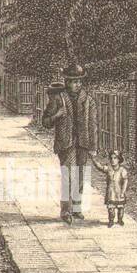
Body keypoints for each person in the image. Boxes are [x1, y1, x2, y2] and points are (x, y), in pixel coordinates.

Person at [40, 64, 94, 224]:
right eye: (73, 81)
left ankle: (77, 208)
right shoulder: (58, 99)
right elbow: (45, 122)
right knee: (68, 177)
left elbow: (93, 125)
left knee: (80, 176)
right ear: (67, 82)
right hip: (66, 144)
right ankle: (65, 210)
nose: (77, 84)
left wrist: (94, 146)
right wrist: (56, 115)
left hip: (82, 143)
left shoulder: (88, 100)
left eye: (79, 81)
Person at [92, 150, 129, 226]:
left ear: (119, 159)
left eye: (115, 158)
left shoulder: (123, 170)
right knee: (111, 209)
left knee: (120, 208)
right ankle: (111, 221)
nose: (113, 160)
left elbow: (125, 182)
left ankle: (120, 220)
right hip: (111, 192)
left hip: (119, 192)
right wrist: (93, 159)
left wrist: (123, 192)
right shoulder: (108, 169)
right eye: (111, 158)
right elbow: (100, 167)